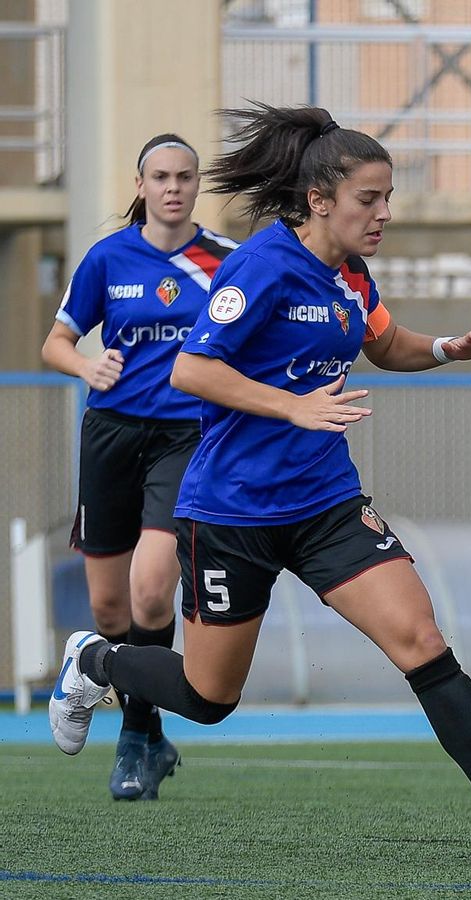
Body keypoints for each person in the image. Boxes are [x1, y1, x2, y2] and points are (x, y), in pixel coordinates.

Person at [47, 103, 471, 867]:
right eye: (370, 199)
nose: (384, 214)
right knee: (209, 699)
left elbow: (385, 342)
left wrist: (444, 347)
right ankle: (94, 662)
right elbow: (192, 369)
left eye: (387, 198)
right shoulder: (261, 265)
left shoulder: (352, 276)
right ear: (319, 201)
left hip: (327, 503)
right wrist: (293, 405)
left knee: (422, 639)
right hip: (232, 512)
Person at [41, 133, 237, 801]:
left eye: (185, 175)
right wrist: (85, 364)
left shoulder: (225, 262)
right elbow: (56, 341)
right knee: (106, 603)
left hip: (184, 438)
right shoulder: (107, 259)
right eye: (160, 176)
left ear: (196, 184)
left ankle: (133, 738)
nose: (173, 186)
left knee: (153, 589)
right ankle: (152, 739)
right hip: (110, 435)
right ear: (141, 184)